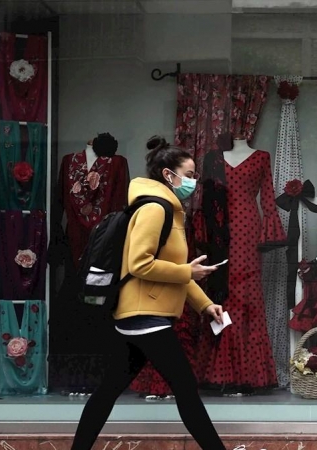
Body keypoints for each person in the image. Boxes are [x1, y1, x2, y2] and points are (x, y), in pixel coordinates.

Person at [71, 136, 227, 450]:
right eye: (190, 173)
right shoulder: (156, 209)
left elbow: (172, 270)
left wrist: (205, 304)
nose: (194, 181)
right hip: (146, 316)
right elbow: (140, 264)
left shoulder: (166, 207)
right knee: (185, 388)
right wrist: (188, 271)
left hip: (141, 315)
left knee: (108, 390)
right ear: (169, 175)